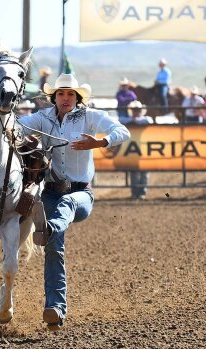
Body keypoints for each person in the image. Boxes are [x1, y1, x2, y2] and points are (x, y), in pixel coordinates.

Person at [18, 73, 130, 331]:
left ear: (77, 97)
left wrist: (100, 142)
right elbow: (16, 125)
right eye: (61, 94)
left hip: (81, 194)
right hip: (49, 192)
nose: (65, 98)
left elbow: (122, 130)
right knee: (54, 250)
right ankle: (55, 310)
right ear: (54, 97)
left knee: (65, 206)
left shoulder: (89, 117)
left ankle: (48, 228)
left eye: (70, 94)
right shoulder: (42, 118)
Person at [122, 100, 151, 200]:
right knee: (134, 172)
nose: (136, 112)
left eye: (138, 110)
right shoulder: (128, 120)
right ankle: (135, 193)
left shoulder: (146, 119)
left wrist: (134, 121)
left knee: (144, 172)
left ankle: (141, 192)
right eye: (134, 110)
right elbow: (121, 120)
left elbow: (148, 121)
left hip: (143, 148)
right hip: (133, 149)